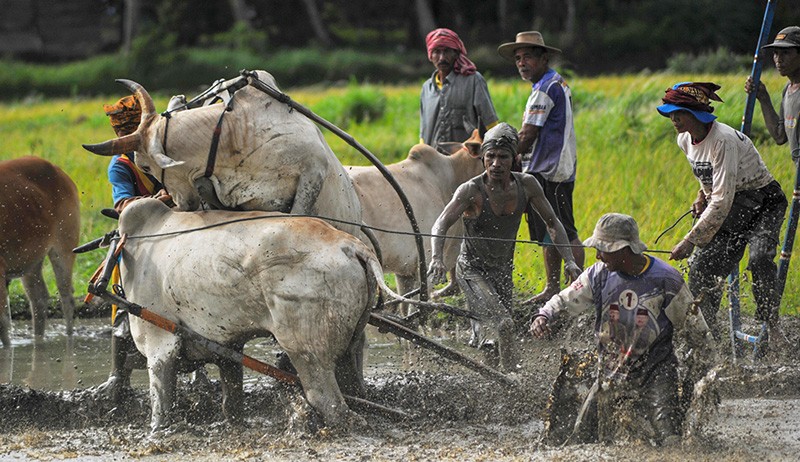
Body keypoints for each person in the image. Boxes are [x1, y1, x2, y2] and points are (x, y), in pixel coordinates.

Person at [530, 213, 713, 445]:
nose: (597, 255)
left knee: (670, 439)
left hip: (656, 372)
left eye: (603, 249)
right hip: (609, 374)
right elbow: (565, 300)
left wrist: (706, 374)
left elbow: (696, 329)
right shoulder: (598, 275)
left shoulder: (666, 280)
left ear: (623, 249)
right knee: (580, 438)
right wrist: (543, 315)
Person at [427, 123, 581, 371]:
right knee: (504, 325)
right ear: (483, 158)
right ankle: (511, 380)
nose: (496, 163)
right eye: (491, 156)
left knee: (495, 335)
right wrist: (437, 258)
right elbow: (441, 224)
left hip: (501, 270)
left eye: (503, 157)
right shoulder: (471, 191)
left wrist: (570, 260)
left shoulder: (527, 185)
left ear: (514, 158)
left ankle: (496, 382)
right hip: (472, 271)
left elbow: (553, 223)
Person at [657, 82, 787, 346]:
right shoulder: (684, 139)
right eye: (670, 113)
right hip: (729, 203)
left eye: (679, 112)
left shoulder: (723, 141)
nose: (673, 118)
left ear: (696, 114)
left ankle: (772, 328)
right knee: (702, 268)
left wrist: (689, 240)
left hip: (761, 201)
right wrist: (700, 195)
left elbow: (722, 202)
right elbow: (709, 179)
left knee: (760, 258)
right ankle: (705, 335)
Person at [497, 31, 584, 305]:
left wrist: (505, 158)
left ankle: (577, 291)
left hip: (551, 170)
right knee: (549, 228)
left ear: (543, 58)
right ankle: (552, 288)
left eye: (528, 57)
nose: (522, 63)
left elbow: (527, 134)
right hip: (547, 167)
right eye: (518, 58)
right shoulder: (550, 84)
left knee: (565, 230)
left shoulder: (546, 89)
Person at [96, 95, 171, 402]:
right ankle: (118, 375)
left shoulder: (165, 151)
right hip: (140, 234)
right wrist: (162, 199)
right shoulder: (121, 166)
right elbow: (123, 205)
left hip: (184, 224)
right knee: (121, 293)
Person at [420, 28, 498, 152]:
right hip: (434, 163)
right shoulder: (426, 88)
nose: (441, 57)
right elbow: (424, 134)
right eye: (436, 52)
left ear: (456, 54)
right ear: (430, 55)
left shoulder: (473, 80)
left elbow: (491, 125)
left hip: (464, 162)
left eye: (447, 51)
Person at [745, 26, 800, 162]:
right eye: (776, 53)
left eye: (786, 53)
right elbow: (780, 136)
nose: (778, 59)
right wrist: (763, 98)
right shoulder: (788, 90)